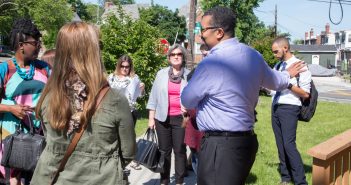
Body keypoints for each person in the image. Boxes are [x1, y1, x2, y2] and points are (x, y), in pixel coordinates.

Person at [181, 6, 305, 185]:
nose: (201, 35)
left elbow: (187, 99)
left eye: (203, 29)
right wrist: (288, 75)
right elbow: (276, 82)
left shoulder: (211, 64)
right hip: (245, 143)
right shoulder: (253, 55)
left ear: (219, 32)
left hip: (220, 146)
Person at [30, 22, 136, 185]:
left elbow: (48, 139)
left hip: (50, 178)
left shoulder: (47, 96)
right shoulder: (114, 100)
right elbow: (128, 153)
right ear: (94, 53)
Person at [0, 19, 50, 185]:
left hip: (39, 135)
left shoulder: (45, 68)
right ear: (21, 45)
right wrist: (10, 108)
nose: (39, 47)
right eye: (35, 43)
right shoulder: (5, 69)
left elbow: (57, 96)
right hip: (11, 138)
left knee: (36, 178)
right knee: (13, 180)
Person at [147, 44, 190, 185]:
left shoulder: (189, 75)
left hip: (181, 119)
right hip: (162, 118)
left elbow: (196, 96)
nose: (176, 56)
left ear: (183, 57)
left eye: (179, 54)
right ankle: (164, 181)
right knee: (164, 151)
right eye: (173, 54)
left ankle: (179, 181)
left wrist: (189, 107)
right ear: (169, 57)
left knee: (179, 151)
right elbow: (153, 97)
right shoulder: (161, 73)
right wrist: (151, 119)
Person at [270, 36, 310, 185]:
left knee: (289, 144)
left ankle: (301, 181)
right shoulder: (278, 66)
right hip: (276, 107)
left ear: (285, 48)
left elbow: (306, 94)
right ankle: (286, 178)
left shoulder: (300, 65)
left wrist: (287, 83)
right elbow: (273, 86)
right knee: (280, 145)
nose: (274, 54)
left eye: (275, 51)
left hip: (289, 108)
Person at [108, 54, 145, 170]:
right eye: (122, 66)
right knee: (114, 137)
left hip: (129, 112)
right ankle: (116, 161)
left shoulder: (134, 78)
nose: (124, 69)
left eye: (127, 67)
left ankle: (131, 159)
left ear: (130, 67)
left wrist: (143, 89)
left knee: (128, 138)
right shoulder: (111, 77)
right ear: (119, 66)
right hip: (112, 112)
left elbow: (139, 95)